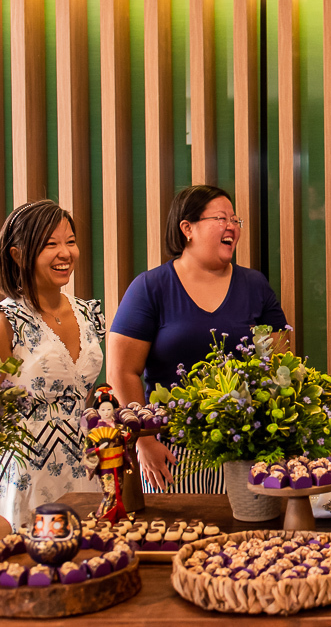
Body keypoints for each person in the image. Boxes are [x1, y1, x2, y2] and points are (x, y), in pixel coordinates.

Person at [107, 186, 288, 493]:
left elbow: (279, 366)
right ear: (187, 228)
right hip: (171, 453)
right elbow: (121, 371)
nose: (232, 226)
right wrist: (144, 440)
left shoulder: (255, 285)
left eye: (235, 220)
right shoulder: (150, 287)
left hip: (244, 449)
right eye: (221, 218)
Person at [0, 200, 105, 529]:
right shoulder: (4, 323)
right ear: (18, 255)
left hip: (86, 472)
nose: (65, 253)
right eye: (50, 244)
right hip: (26, 478)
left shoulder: (87, 313)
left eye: (70, 241)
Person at [82, 386, 132, 523]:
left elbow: (128, 441)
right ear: (98, 411)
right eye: (103, 410)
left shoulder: (119, 427)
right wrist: (98, 449)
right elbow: (87, 450)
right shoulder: (94, 432)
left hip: (118, 462)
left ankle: (118, 515)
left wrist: (126, 437)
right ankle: (102, 516)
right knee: (110, 492)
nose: (106, 412)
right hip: (105, 465)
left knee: (119, 491)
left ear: (114, 410)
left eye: (109, 409)